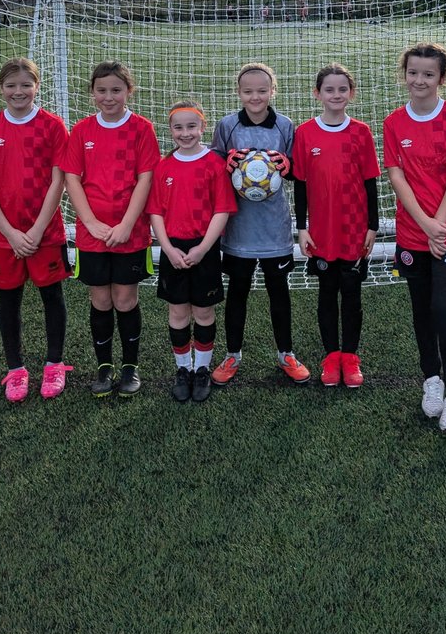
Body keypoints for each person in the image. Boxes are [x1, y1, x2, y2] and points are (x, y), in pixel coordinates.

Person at [383, 42, 446, 434]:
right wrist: (425, 225)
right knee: (422, 310)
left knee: (444, 309)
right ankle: (432, 380)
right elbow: (396, 176)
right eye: (413, 72)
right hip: (413, 233)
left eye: (428, 74)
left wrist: (438, 226)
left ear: (441, 78)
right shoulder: (394, 122)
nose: (419, 80)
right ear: (404, 74)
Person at [0, 58, 72, 403]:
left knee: (52, 297)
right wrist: (11, 233)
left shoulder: (53, 126)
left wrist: (37, 229)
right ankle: (15, 370)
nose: (19, 91)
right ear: (1, 88)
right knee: (8, 299)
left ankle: (54, 364)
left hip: (46, 232)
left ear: (36, 87)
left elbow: (59, 181)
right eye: (11, 85)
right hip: (5, 236)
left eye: (26, 84)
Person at [62, 61, 160, 398]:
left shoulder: (142, 128)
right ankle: (104, 367)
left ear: (128, 91)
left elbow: (146, 178)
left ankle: (130, 366)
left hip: (130, 233)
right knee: (101, 300)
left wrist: (127, 224)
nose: (109, 97)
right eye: (101, 90)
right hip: (92, 235)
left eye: (116, 90)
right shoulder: (82, 130)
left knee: (125, 298)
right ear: (92, 93)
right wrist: (90, 222)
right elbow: (72, 178)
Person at [209, 62, 310, 385]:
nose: (255, 97)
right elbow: (213, 164)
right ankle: (232, 355)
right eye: (248, 91)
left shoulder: (284, 125)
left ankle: (286, 354)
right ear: (239, 93)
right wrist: (226, 164)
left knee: (278, 292)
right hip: (238, 228)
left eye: (262, 91)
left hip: (274, 228)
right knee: (237, 292)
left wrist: (287, 165)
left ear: (272, 91)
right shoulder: (227, 125)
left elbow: (296, 171)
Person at [294, 64, 380, 387]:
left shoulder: (361, 132)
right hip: (321, 232)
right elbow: (300, 184)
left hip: (354, 229)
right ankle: (331, 356)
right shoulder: (305, 133)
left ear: (351, 93)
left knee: (352, 295)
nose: (336, 95)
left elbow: (370, 182)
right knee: (327, 293)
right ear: (317, 94)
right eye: (329, 89)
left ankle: (350, 357)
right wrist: (302, 227)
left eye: (342, 89)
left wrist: (372, 226)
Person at [148, 100, 237, 403]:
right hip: (173, 248)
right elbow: (155, 212)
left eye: (191, 126)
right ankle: (183, 369)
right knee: (177, 312)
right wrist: (167, 248)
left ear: (203, 127)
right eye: (178, 127)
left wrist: (202, 248)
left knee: (203, 311)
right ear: (170, 130)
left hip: (204, 248)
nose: (185, 133)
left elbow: (222, 210)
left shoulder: (214, 164)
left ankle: (202, 369)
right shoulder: (164, 166)